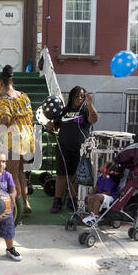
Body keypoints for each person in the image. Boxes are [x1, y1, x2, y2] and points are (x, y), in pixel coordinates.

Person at [47, 86, 99, 214]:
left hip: (79, 149)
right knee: (61, 175)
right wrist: (50, 125)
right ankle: (57, 201)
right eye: (77, 96)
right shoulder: (64, 111)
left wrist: (90, 103)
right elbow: (56, 126)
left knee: (74, 176)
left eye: (82, 96)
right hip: (63, 147)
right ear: (71, 97)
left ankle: (72, 200)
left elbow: (94, 119)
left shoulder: (85, 110)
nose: (80, 99)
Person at [0, 65, 35, 214]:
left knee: (12, 172)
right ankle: (26, 203)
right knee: (20, 171)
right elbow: (30, 116)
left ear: (1, 82)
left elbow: (5, 119)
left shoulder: (4, 99)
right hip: (26, 136)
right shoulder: (24, 95)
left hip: (13, 137)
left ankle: (15, 207)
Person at [82, 161, 119, 226]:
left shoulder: (108, 179)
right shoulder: (101, 177)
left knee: (96, 196)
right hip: (101, 195)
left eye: (104, 165)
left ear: (106, 170)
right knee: (90, 197)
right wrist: (90, 195)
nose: (101, 165)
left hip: (110, 197)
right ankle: (91, 215)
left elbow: (108, 192)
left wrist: (95, 195)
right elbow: (96, 188)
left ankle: (95, 217)